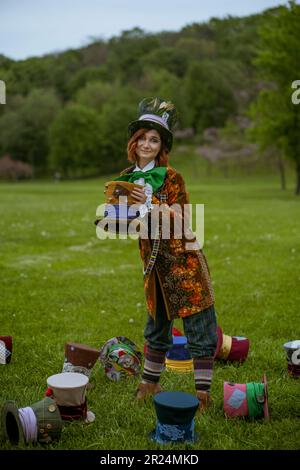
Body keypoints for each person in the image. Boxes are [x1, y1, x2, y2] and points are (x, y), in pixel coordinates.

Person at [115, 97, 218, 410]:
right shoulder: (126, 177)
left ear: (162, 147)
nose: (147, 144)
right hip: (154, 266)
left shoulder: (172, 178)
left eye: (154, 139)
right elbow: (124, 222)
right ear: (134, 142)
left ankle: (202, 395)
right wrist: (115, 215)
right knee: (156, 325)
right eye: (143, 138)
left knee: (199, 326)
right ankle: (149, 385)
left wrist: (149, 205)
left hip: (183, 261)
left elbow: (181, 218)